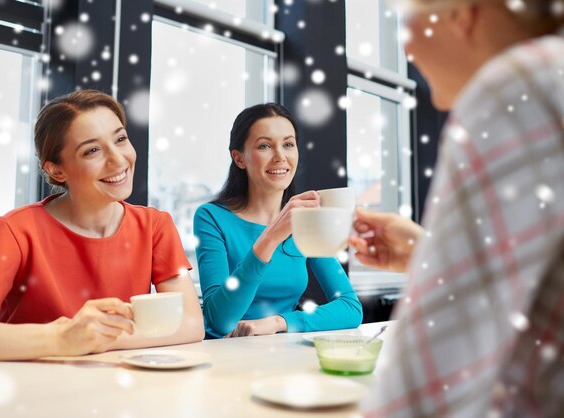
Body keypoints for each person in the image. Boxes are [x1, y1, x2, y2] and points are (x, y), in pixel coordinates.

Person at [349, 1, 564, 416]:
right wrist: (429, 256)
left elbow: (425, 397)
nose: (407, 50)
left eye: (406, 21)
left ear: (461, 13)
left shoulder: (522, 86)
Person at [0, 90, 204, 360]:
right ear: (56, 170)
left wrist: (95, 338)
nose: (118, 159)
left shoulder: (155, 226)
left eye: (120, 139)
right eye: (92, 150)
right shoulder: (16, 232)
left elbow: (191, 323)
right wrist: (60, 339)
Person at [194, 103, 363, 338]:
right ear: (239, 158)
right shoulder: (211, 217)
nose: (280, 157)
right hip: (225, 355)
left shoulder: (306, 220)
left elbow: (350, 308)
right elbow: (220, 320)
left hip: (282, 354)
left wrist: (279, 322)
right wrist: (271, 237)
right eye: (265, 146)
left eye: (288, 144)